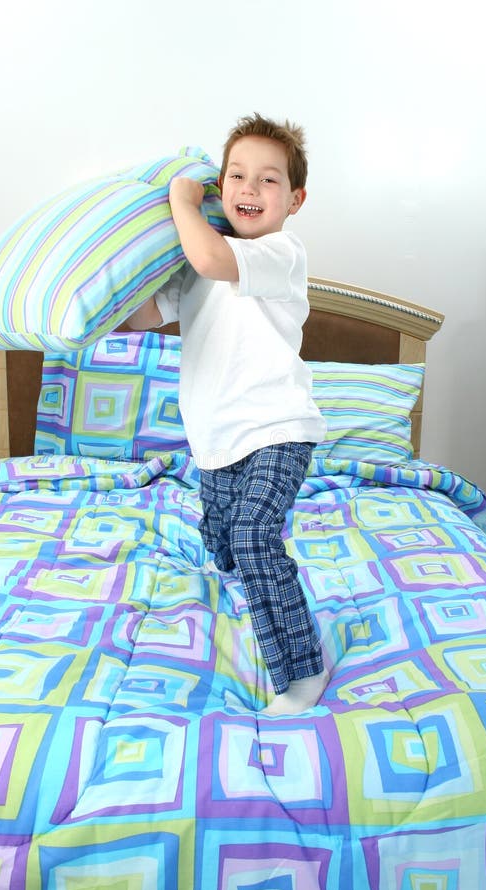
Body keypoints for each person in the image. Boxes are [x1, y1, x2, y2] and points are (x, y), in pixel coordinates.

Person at [125, 113, 328, 715]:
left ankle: (302, 670)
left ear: (295, 200)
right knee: (225, 549)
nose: (248, 189)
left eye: (268, 181)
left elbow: (214, 258)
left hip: (277, 431)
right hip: (215, 441)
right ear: (222, 186)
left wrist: (181, 202)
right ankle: (262, 604)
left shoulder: (278, 252)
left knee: (253, 534)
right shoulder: (195, 266)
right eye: (235, 175)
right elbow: (141, 315)